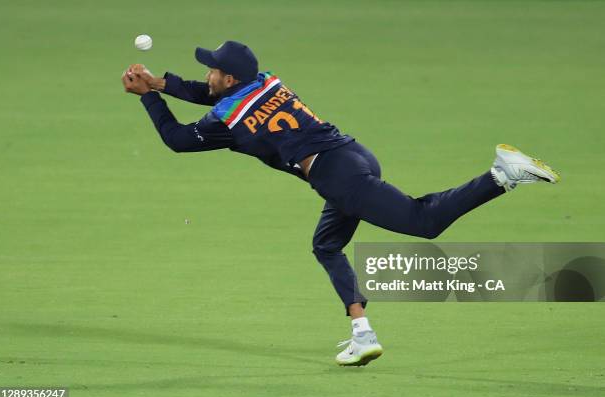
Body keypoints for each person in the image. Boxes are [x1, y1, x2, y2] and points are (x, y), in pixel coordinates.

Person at [121, 40, 560, 366]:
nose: (209, 74)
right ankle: (362, 332)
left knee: (423, 221)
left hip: (338, 175)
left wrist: (150, 97)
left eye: (214, 69)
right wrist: (161, 81)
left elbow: (178, 139)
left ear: (230, 79)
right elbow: (211, 94)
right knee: (326, 245)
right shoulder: (265, 80)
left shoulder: (231, 121)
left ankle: (501, 175)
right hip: (353, 155)